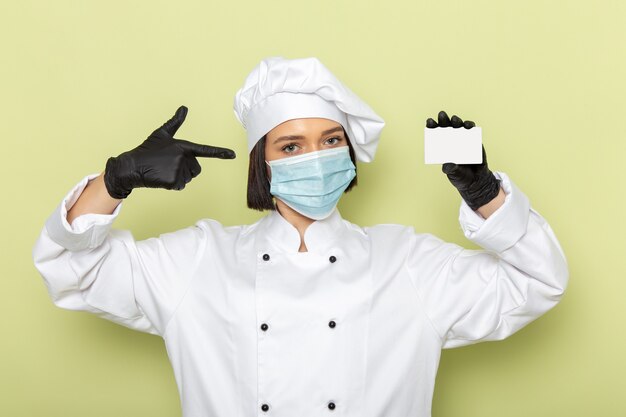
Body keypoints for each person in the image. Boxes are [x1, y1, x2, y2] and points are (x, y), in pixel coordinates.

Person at [32, 56, 569, 417]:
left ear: (349, 153)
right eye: (290, 146)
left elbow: (537, 282)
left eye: (330, 140)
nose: (315, 158)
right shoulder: (200, 259)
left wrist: (485, 195)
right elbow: (72, 269)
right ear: (260, 164)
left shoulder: (407, 260)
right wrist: (116, 179)